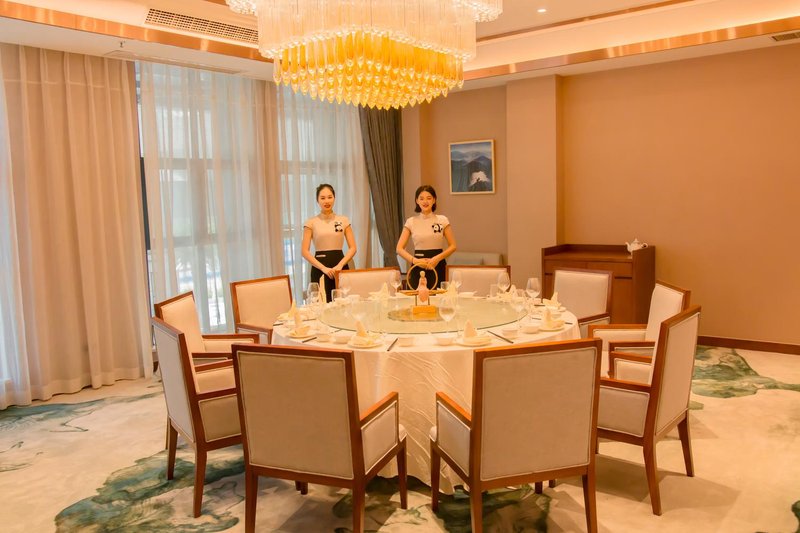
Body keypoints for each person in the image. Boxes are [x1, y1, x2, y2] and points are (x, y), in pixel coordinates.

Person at [302, 183, 356, 303]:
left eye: (330, 197)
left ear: (334, 198)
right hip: (319, 267)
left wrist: (340, 266)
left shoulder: (343, 220)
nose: (327, 201)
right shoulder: (311, 222)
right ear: (317, 200)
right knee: (321, 302)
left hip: (340, 266)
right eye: (322, 198)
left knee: (342, 302)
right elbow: (304, 251)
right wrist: (323, 268)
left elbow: (353, 248)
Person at [396, 185, 456, 291]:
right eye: (421, 198)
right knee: (416, 298)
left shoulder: (442, 220)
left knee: (439, 298)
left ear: (434, 200)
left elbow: (453, 246)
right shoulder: (411, 221)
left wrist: (437, 258)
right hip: (418, 265)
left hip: (438, 264)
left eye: (429, 198)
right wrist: (415, 261)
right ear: (417, 201)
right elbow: (399, 248)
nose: (425, 201)